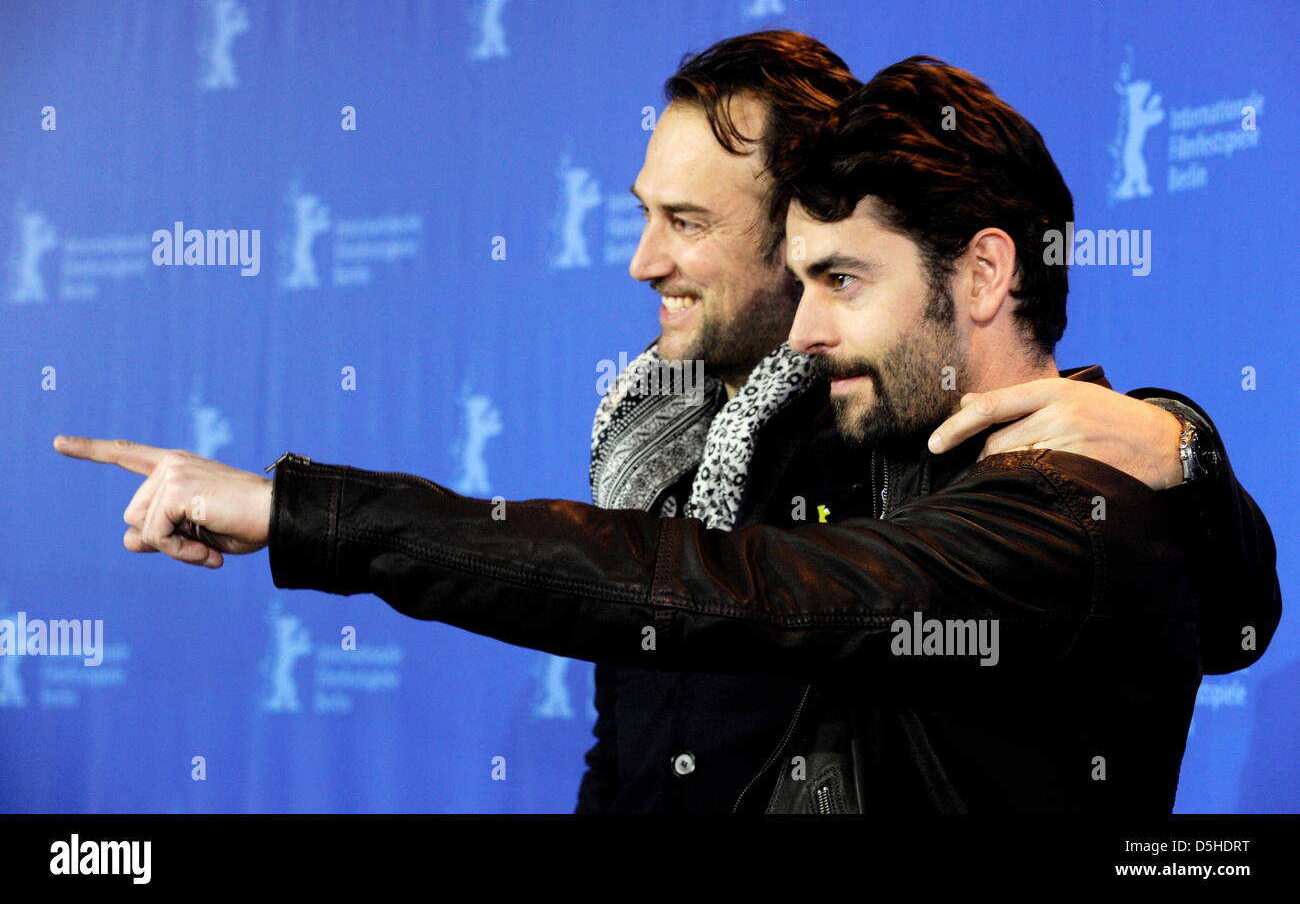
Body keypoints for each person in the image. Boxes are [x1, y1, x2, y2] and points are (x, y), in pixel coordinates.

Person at [52, 39, 1280, 813]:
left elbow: (708, 590)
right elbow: (645, 673)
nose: (646, 263)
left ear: (979, 272)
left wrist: (301, 511)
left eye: (838, 280)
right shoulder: (700, 436)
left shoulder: (1065, 484)